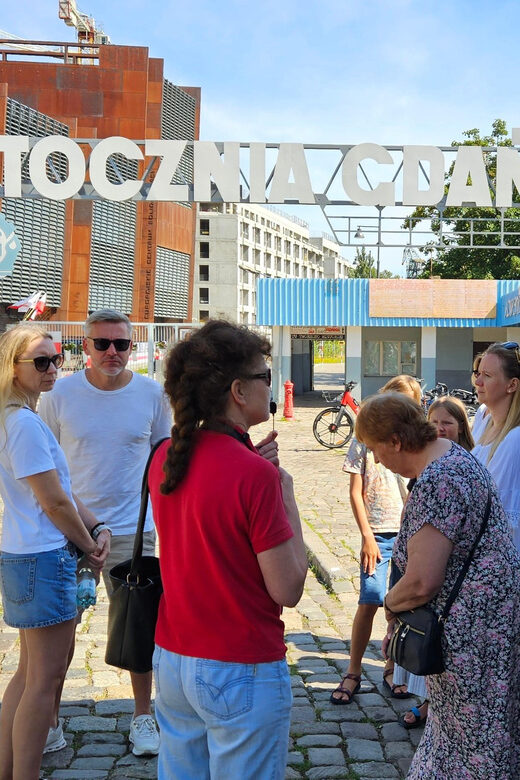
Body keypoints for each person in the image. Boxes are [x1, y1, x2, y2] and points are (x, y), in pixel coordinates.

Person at [147, 320, 307, 780]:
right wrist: (285, 496)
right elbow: (289, 588)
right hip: (240, 663)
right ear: (239, 390)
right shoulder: (256, 477)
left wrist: (252, 468)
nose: (269, 385)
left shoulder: (164, 457)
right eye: (265, 376)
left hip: (174, 658)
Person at [356, 392, 520, 779]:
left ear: (396, 441)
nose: (376, 460)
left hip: (472, 634)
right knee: (483, 730)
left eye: (376, 449)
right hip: (489, 624)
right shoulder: (454, 455)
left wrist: (391, 606)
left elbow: (421, 582)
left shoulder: (437, 481)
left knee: (475, 739)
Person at [39, 309, 171, 757]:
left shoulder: (152, 395)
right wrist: (80, 528)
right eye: (102, 344)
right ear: (85, 348)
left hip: (136, 531)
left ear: (133, 347)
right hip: (70, 530)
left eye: (121, 344)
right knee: (62, 629)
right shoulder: (59, 396)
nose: (112, 352)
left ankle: (142, 717)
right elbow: (50, 468)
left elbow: (162, 461)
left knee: (139, 628)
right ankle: (51, 720)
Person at [0, 325, 109, 780]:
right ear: (13, 368)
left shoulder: (19, 417)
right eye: (40, 361)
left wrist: (96, 525)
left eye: (56, 358)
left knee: (28, 677)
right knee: (42, 683)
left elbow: (61, 492)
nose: (51, 368)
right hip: (43, 559)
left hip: (25, 555)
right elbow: (55, 501)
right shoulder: (22, 423)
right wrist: (89, 546)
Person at [330, 375, 421, 704]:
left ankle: (392, 666)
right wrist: (367, 535)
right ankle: (353, 671)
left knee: (398, 606)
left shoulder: (413, 443)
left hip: (408, 536)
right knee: (369, 600)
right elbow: (355, 492)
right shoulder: (364, 440)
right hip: (378, 534)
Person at [396, 395, 474, 729]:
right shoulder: (430, 468)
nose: (440, 428)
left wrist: (392, 604)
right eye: (435, 422)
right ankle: (431, 702)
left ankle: (436, 709)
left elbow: (426, 580)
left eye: (448, 423)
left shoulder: (448, 473)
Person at [471, 341, 520, 551]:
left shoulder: (514, 438)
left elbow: (493, 509)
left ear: (512, 385)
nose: (478, 381)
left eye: (487, 376)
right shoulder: (483, 419)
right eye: (478, 373)